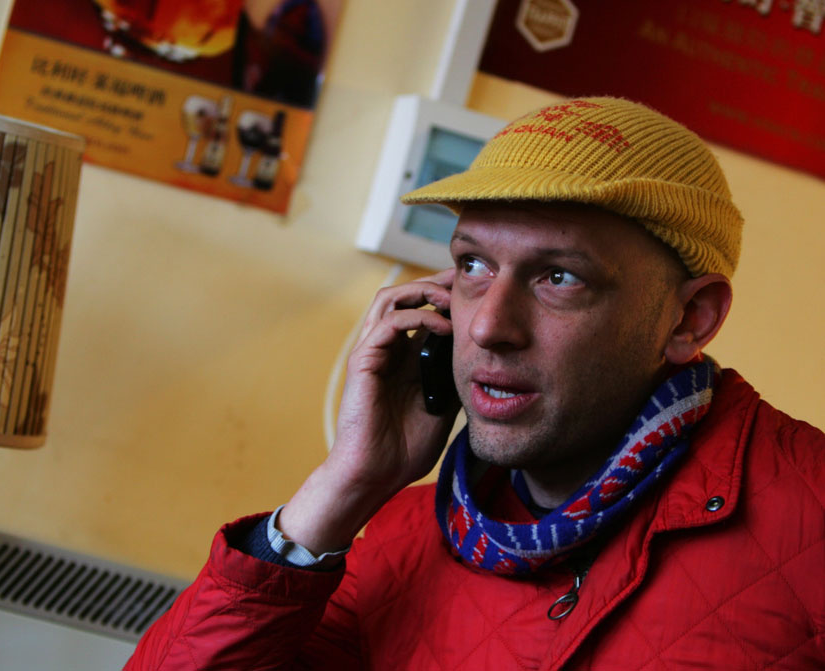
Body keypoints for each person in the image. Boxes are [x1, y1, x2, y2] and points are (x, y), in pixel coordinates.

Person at [124, 97, 825, 669]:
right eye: (473, 265)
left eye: (559, 276)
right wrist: (345, 485)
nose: (488, 326)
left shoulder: (807, 515)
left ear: (689, 317)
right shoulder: (402, 535)